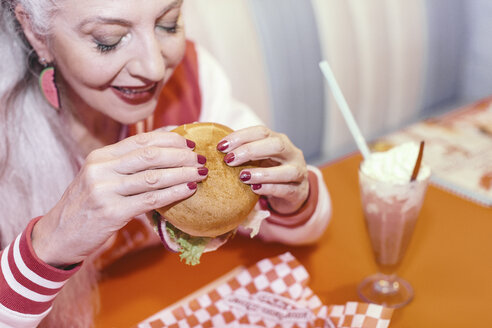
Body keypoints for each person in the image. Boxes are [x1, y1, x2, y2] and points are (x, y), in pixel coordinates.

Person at [0, 0, 332, 326]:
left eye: (168, 23)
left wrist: (292, 197)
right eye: (108, 41)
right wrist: (48, 246)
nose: (154, 69)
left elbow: (301, 231)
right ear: (35, 33)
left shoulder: (193, 82)